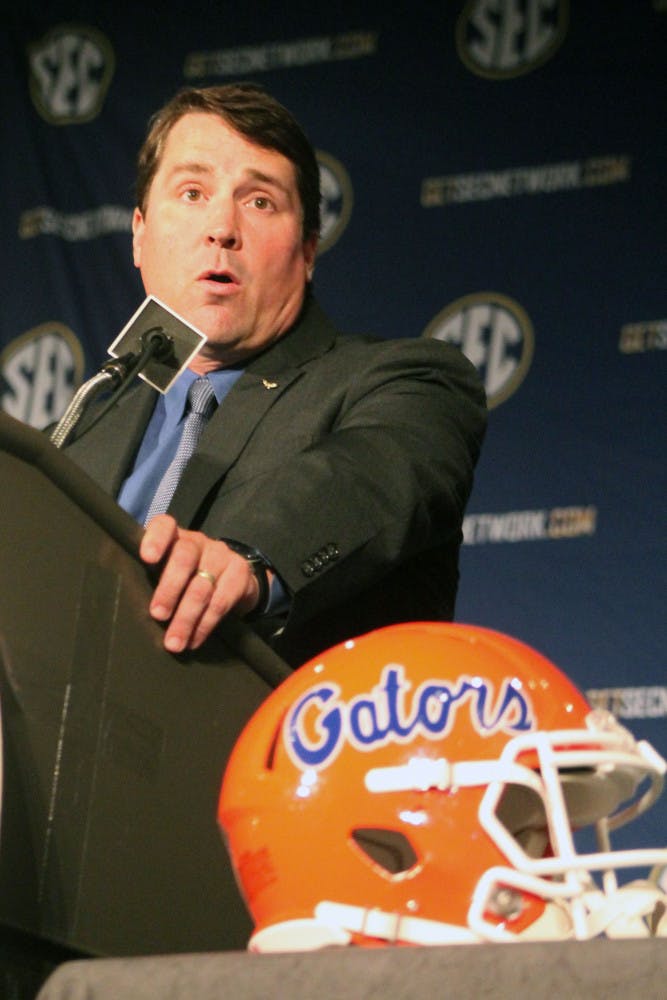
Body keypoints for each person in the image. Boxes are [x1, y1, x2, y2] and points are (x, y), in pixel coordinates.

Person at [64, 83, 487, 668]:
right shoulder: (89, 417)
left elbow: (370, 474)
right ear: (139, 233)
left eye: (260, 201)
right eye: (192, 192)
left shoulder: (406, 381)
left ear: (308, 250)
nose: (222, 228)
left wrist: (251, 560)